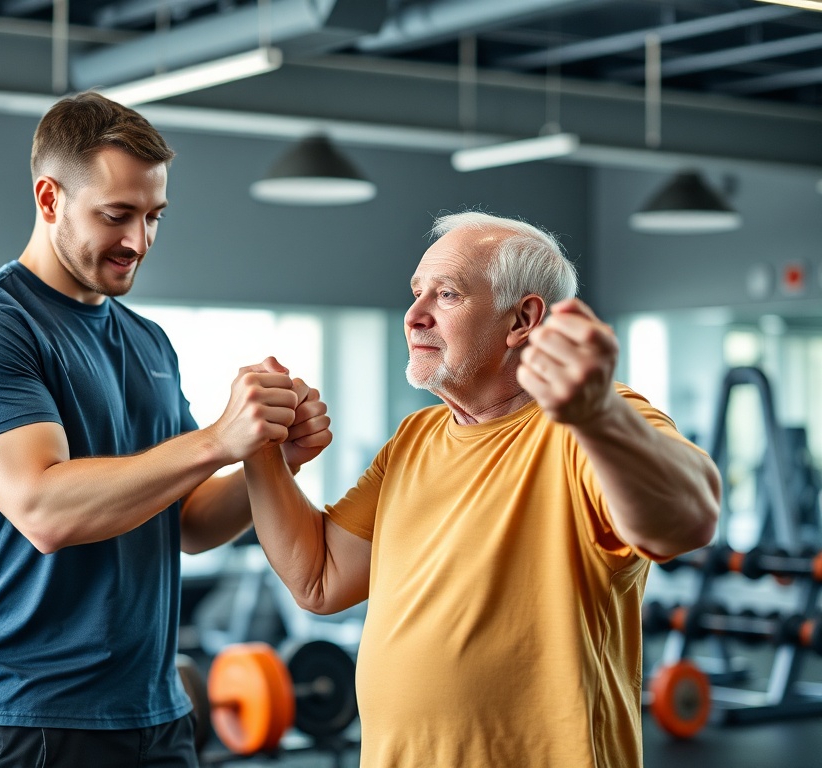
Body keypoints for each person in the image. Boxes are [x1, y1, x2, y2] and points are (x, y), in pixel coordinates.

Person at [0, 91, 331, 767]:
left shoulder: (148, 343)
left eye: (152, 216)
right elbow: (43, 509)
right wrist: (219, 439)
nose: (138, 241)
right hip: (29, 711)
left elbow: (189, 522)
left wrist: (272, 457)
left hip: (152, 705)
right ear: (49, 200)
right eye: (117, 216)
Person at [243, 211, 722, 767]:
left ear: (523, 319)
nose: (415, 316)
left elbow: (689, 522)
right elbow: (319, 579)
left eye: (445, 295)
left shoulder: (588, 425)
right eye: (416, 293)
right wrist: (261, 451)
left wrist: (598, 418)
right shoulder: (414, 439)